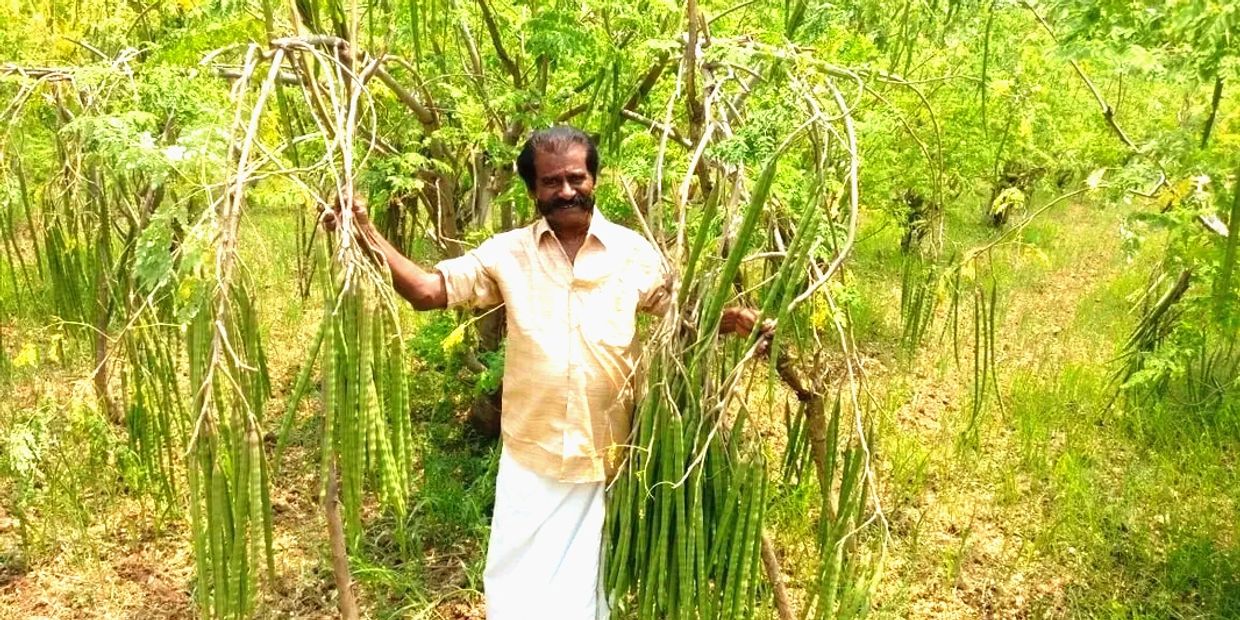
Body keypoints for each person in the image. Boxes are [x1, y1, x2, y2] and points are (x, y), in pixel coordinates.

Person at [327, 126, 758, 619]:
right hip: (532, 455)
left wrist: (732, 320)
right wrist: (363, 232)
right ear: (533, 190)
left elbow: (680, 315)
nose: (566, 191)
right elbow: (428, 291)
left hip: (609, 452)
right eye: (551, 182)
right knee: (518, 587)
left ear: (594, 178)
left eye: (576, 177)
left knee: (595, 589)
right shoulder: (507, 253)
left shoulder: (632, 252)